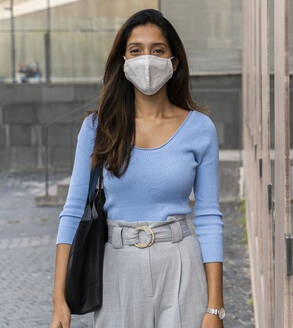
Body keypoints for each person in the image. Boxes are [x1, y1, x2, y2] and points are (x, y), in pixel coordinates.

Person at [49, 9, 225, 328]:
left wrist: (215, 308)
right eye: (136, 50)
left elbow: (209, 216)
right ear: (124, 61)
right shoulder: (97, 128)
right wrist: (58, 301)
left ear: (174, 62)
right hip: (118, 267)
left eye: (157, 50)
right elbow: (72, 211)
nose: (147, 59)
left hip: (181, 263)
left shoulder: (200, 128)